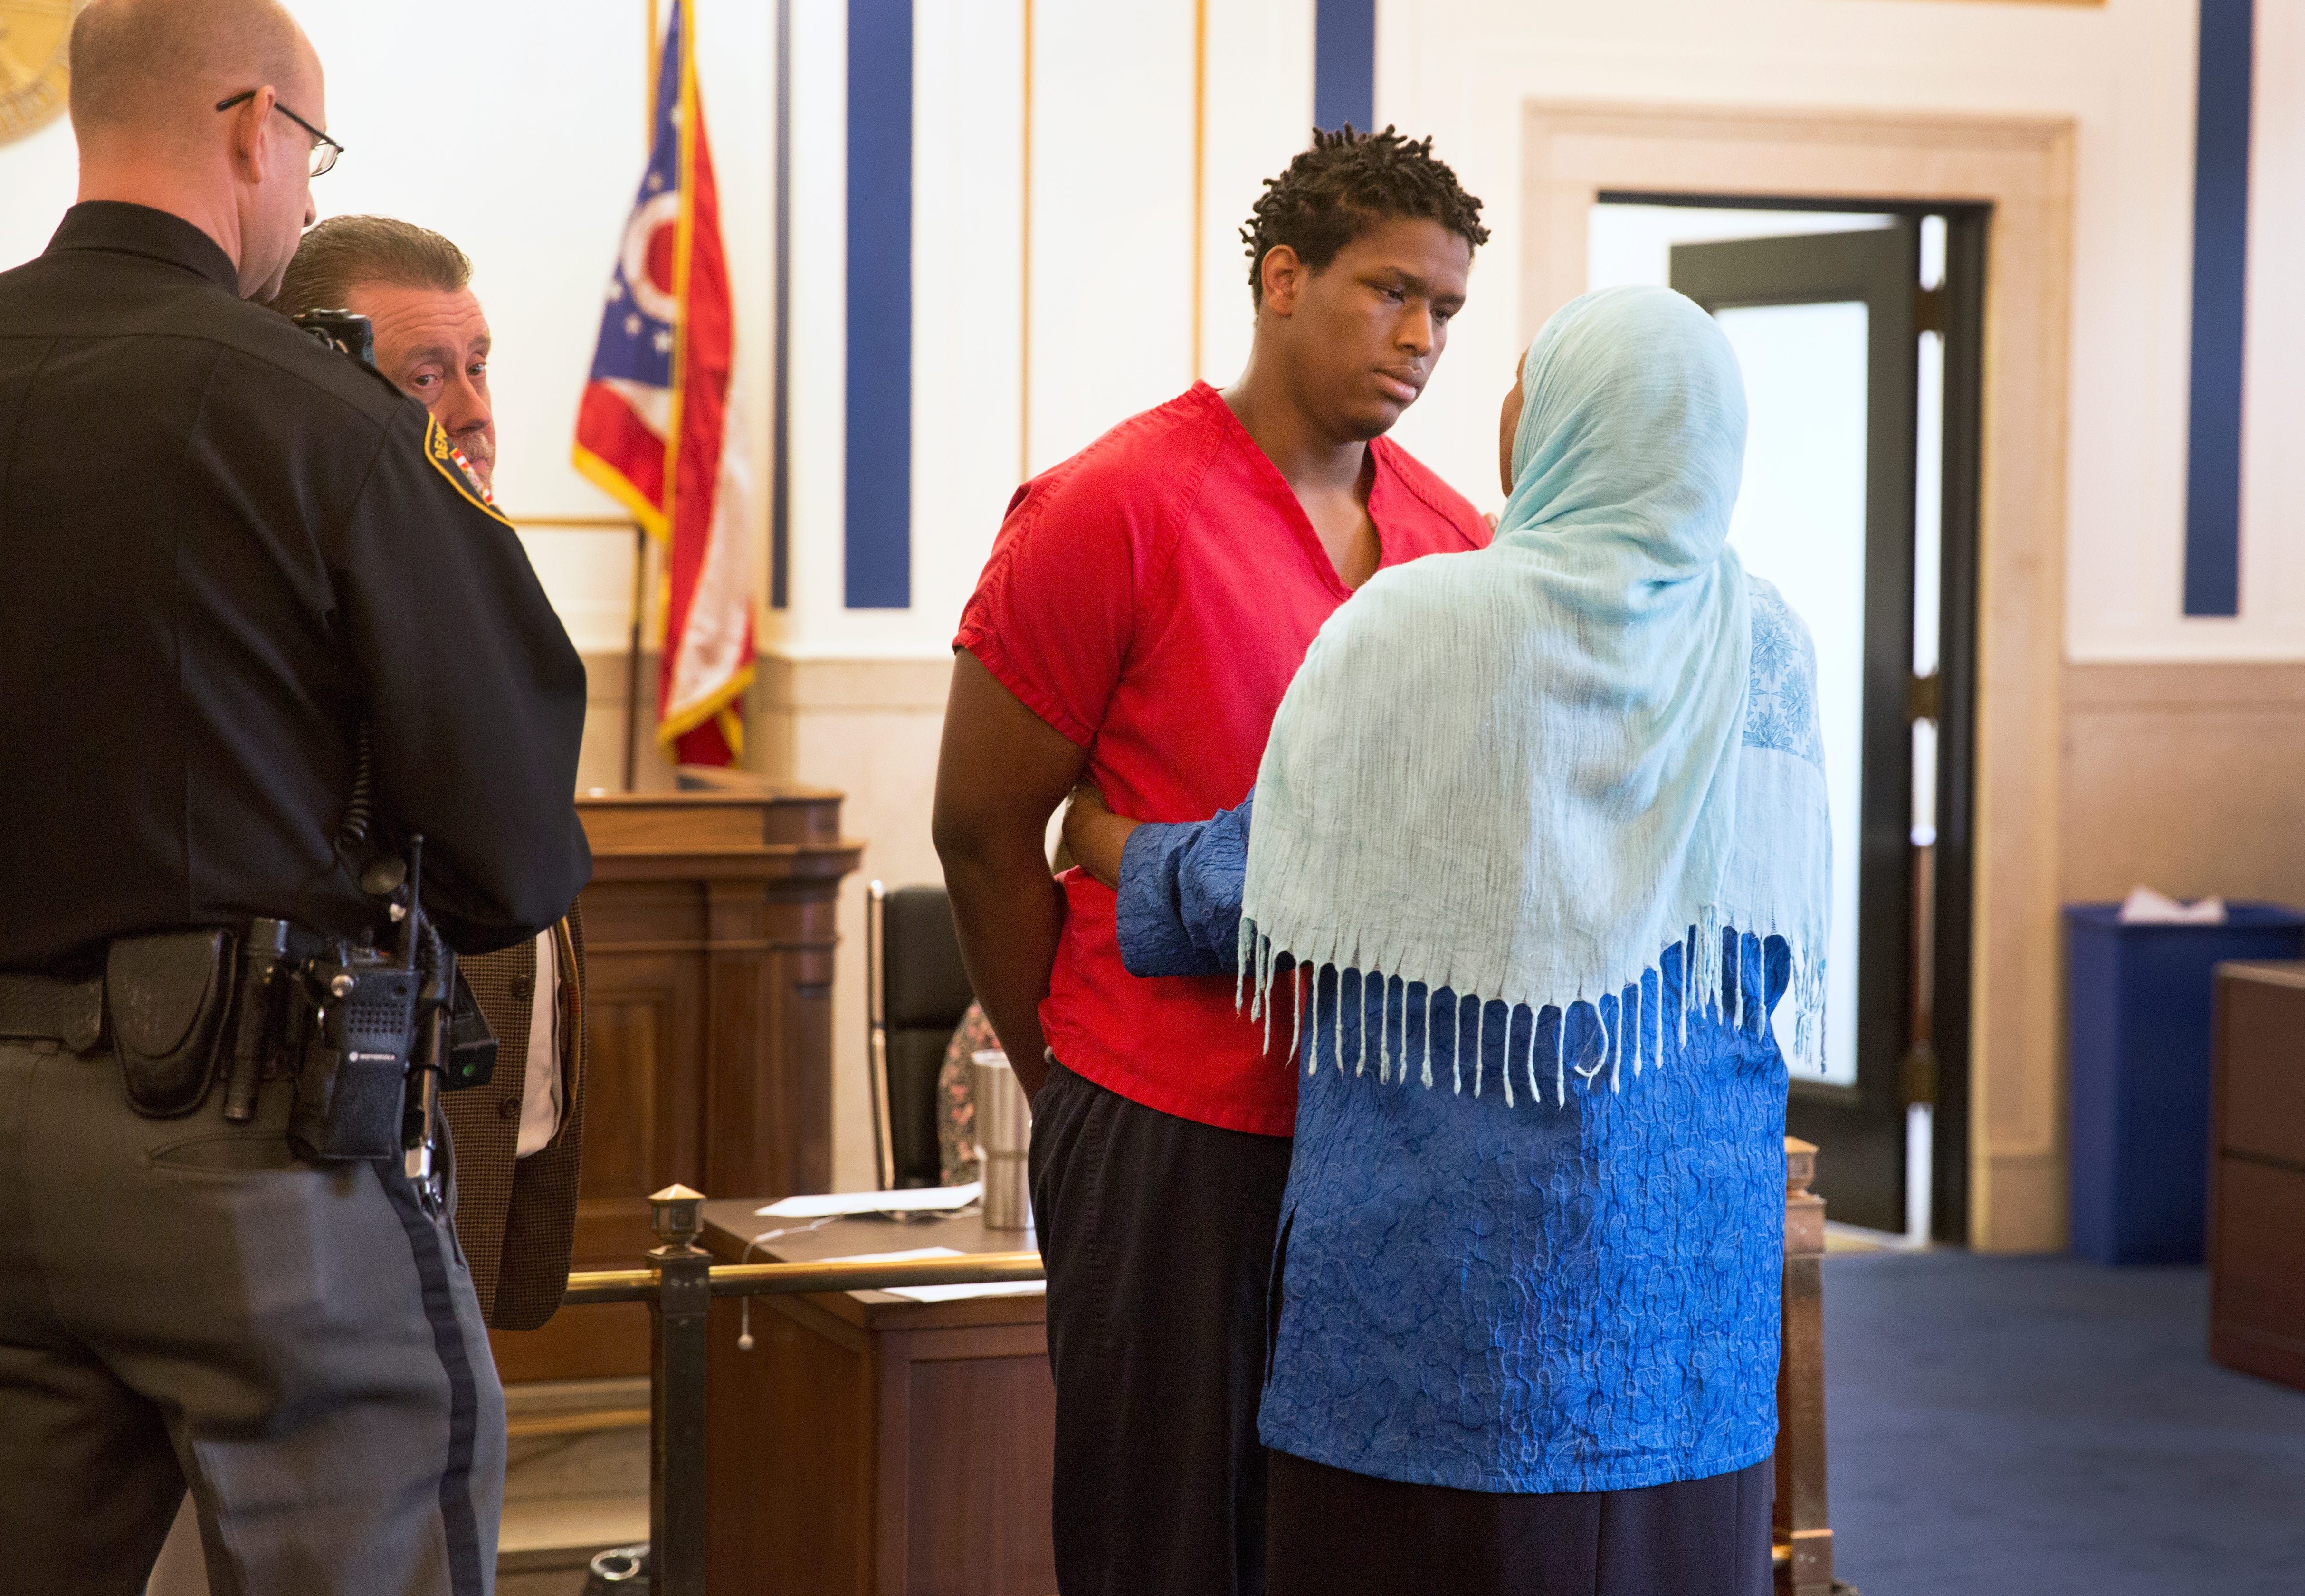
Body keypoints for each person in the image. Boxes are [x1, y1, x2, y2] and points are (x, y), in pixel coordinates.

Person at [1066, 286, 1831, 1596]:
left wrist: (1106, 844)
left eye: (1526, 378)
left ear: (1569, 425)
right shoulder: (1762, 645)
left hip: (1436, 1319)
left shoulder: (1417, 628)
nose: (1499, 402)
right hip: (1681, 1310)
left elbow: (1268, 892)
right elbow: (1755, 942)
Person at [0, 3, 590, 1593]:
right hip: (232, 1144)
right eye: (310, 157)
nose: (307, 201)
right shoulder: (316, 415)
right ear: (256, 128)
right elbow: (515, 838)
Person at [933, 126, 1491, 1596]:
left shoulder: (1455, 539)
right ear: (1282, 278)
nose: (1421, 338)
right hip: (1164, 1115)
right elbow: (984, 830)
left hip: (1391, 1127)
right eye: (1388, 293)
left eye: (1445, 310)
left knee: (1346, 1540)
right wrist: (1068, 1080)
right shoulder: (1112, 503)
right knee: (1162, 1531)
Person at [273, 216, 589, 1334]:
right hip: (345, 1125)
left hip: (480, 1109)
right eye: (426, 373)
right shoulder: (300, 571)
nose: (473, 405)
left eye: (478, 363)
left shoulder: (469, 535)